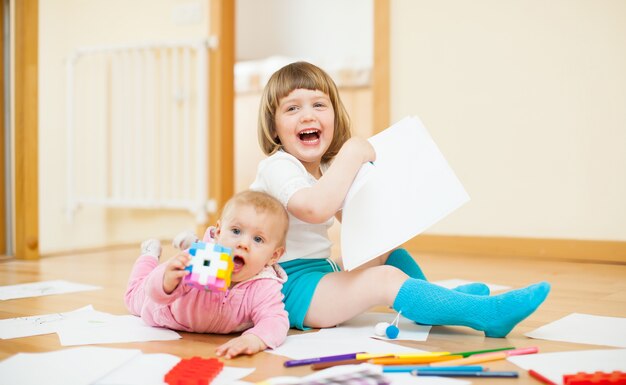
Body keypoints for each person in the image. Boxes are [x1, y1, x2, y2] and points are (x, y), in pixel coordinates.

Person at [249, 61, 551, 337]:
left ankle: (434, 300)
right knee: (383, 279)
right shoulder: (278, 166)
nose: (308, 115)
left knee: (389, 254)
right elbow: (314, 207)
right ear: (274, 127)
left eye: (318, 105)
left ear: (334, 115)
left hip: (318, 272)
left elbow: (358, 224)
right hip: (288, 288)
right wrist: (351, 155)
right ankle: (486, 314)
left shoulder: (325, 168)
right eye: (292, 109)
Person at [124, 190, 290, 359]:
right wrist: (167, 281)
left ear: (273, 256)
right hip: (161, 311)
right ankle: (149, 254)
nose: (243, 244)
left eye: (258, 239)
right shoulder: (197, 261)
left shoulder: (265, 285)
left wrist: (255, 339)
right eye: (236, 231)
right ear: (218, 233)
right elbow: (156, 294)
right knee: (132, 296)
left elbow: (276, 319)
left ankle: (194, 241)